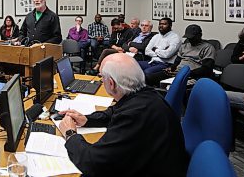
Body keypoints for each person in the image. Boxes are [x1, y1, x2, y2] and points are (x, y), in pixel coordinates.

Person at [58, 53, 188, 176]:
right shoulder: (144, 95)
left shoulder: (135, 114)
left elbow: (93, 163)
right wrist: (87, 120)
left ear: (111, 83)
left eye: (102, 77)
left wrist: (70, 134)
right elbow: (114, 111)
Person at [146, 24, 216, 86]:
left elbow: (206, 68)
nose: (190, 40)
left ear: (200, 35)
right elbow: (177, 61)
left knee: (172, 86)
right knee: (149, 78)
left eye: (192, 38)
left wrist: (187, 73)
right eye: (188, 38)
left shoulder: (207, 48)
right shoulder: (184, 46)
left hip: (193, 74)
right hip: (178, 72)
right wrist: (172, 68)